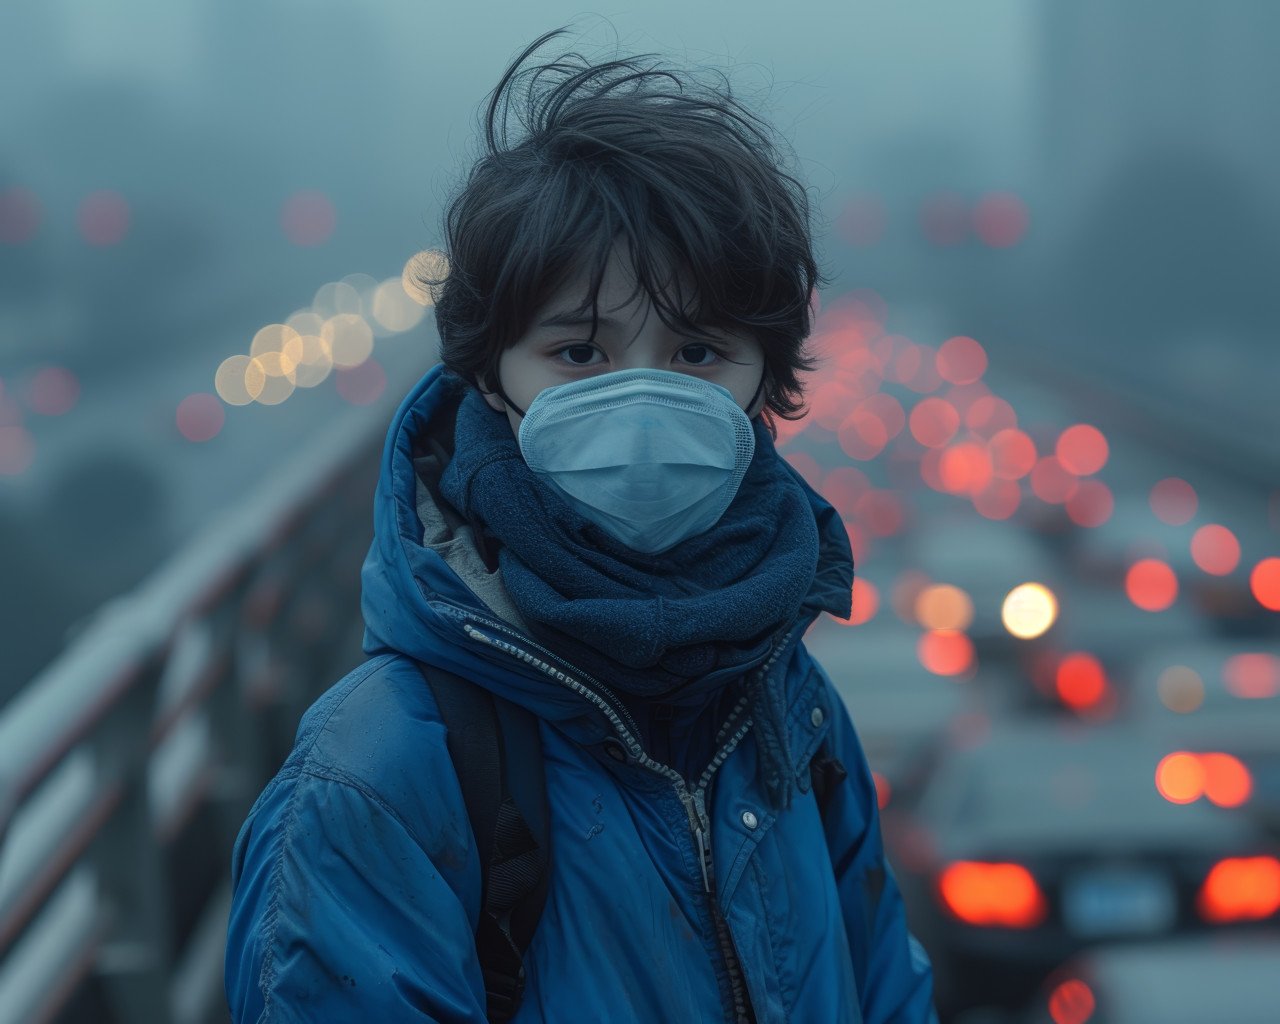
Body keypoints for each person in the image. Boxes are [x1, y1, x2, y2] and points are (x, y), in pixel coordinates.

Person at [225, 26, 938, 1024]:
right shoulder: (374, 779)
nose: (640, 402)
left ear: (764, 385)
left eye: (696, 351)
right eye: (578, 352)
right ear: (488, 371)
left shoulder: (788, 704)